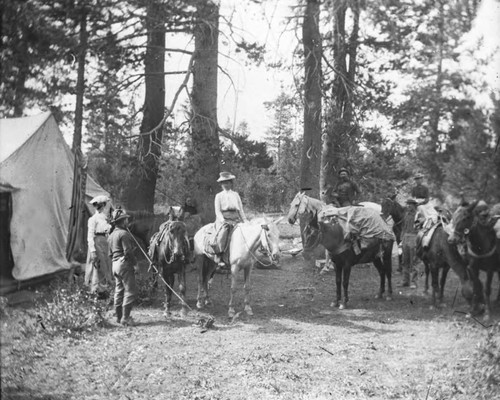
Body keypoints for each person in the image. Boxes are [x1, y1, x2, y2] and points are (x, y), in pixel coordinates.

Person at [108, 209, 138, 326]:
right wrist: (135, 263)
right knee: (130, 291)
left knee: (119, 290)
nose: (127, 221)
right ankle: (125, 318)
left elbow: (110, 254)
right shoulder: (124, 234)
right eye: (126, 219)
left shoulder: (111, 235)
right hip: (123, 264)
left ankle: (119, 317)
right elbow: (128, 252)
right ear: (122, 221)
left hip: (114, 264)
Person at [213, 171, 248, 269]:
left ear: (231, 183)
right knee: (224, 234)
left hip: (235, 218)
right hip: (224, 218)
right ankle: (220, 257)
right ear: (221, 184)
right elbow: (217, 211)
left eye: (227, 182)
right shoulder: (219, 196)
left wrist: (245, 220)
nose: (226, 185)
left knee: (244, 233)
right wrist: (222, 220)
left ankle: (244, 257)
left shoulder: (236, 195)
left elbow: (240, 209)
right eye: (223, 183)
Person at [86, 195, 113, 298]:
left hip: (105, 242)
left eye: (101, 205)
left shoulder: (105, 218)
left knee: (106, 265)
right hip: (97, 242)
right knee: (98, 266)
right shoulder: (92, 219)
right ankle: (96, 291)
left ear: (104, 205)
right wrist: (92, 251)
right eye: (97, 205)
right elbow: (90, 236)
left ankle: (104, 290)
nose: (99, 207)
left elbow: (108, 230)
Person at [400, 199, 419, 289]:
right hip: (405, 238)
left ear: (414, 206)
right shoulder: (406, 215)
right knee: (405, 261)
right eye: (408, 205)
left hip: (414, 237)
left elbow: (420, 227)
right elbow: (403, 227)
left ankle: (414, 282)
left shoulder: (418, 215)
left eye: (410, 205)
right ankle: (405, 281)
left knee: (414, 261)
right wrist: (401, 239)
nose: (408, 206)